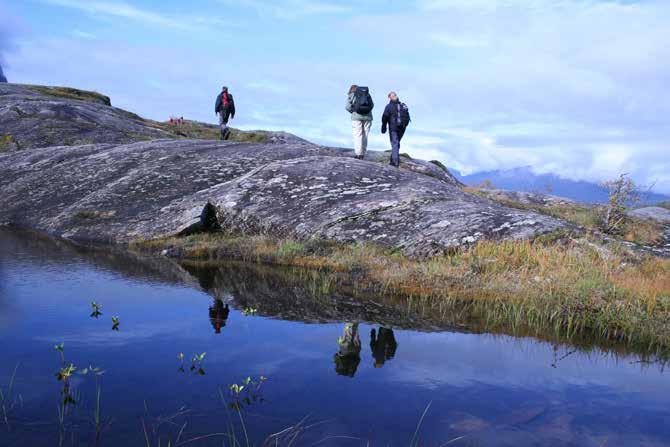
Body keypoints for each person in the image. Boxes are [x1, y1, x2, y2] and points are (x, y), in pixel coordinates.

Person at [381, 91, 411, 167]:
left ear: (390, 98)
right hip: (403, 127)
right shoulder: (403, 105)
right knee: (396, 143)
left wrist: (384, 126)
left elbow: (385, 117)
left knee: (395, 143)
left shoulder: (389, 106)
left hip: (393, 127)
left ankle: (395, 162)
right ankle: (393, 158)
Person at [345, 85, 374, 159]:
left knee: (358, 135)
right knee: (365, 135)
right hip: (368, 117)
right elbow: (372, 105)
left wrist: (354, 111)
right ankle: (363, 154)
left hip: (356, 117)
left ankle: (358, 154)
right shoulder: (367, 94)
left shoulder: (352, 95)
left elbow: (347, 107)